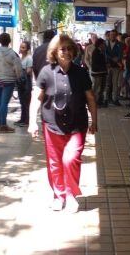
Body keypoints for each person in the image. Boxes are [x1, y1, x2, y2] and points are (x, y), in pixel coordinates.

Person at [28, 34, 98, 213]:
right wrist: (32, 122)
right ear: (55, 52)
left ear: (74, 51)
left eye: (69, 48)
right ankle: (58, 196)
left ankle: (70, 195)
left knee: (70, 159)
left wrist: (94, 120)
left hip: (77, 124)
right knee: (55, 162)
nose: (66, 52)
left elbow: (90, 98)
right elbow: (37, 98)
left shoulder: (81, 72)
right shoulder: (46, 72)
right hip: (51, 124)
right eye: (62, 49)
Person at [0, 33, 22, 133]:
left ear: (0, 41)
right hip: (8, 81)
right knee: (4, 103)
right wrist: (18, 77)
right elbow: (18, 69)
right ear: (9, 41)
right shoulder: (13, 54)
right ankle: (3, 125)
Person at [16, 40, 33, 126]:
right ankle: (22, 119)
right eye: (21, 47)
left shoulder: (29, 58)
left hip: (26, 83)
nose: (21, 49)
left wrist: (22, 71)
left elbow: (29, 71)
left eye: (23, 47)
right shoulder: (20, 58)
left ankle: (26, 120)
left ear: (27, 49)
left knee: (26, 102)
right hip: (20, 83)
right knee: (22, 102)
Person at [105, 29, 124, 106]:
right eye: (111, 34)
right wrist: (112, 59)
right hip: (108, 66)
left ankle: (115, 99)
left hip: (116, 67)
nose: (112, 36)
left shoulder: (120, 44)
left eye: (114, 35)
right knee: (107, 84)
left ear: (116, 36)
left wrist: (117, 60)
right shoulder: (105, 43)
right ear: (109, 35)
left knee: (115, 84)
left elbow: (120, 55)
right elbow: (105, 54)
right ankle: (106, 99)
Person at [90, 38, 108, 107]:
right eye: (103, 44)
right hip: (97, 73)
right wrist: (104, 66)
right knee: (97, 88)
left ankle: (99, 101)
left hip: (102, 72)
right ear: (100, 44)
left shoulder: (101, 51)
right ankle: (94, 102)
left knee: (101, 88)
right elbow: (96, 64)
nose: (104, 45)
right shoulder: (96, 52)